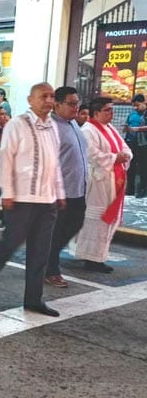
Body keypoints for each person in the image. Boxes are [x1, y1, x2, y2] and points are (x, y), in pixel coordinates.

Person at [0, 82, 65, 317]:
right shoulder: (18, 124)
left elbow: (55, 163)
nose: (49, 100)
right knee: (9, 245)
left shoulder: (52, 126)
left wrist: (59, 193)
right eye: (44, 96)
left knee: (40, 252)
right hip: (21, 199)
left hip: (47, 200)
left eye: (52, 96)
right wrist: (7, 193)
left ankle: (34, 299)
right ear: (31, 99)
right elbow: (7, 159)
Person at [75, 97, 133, 273]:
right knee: (97, 218)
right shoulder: (88, 130)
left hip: (114, 179)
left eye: (111, 109)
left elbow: (125, 148)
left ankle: (98, 255)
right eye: (107, 110)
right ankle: (90, 258)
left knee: (107, 219)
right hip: (98, 180)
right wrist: (116, 158)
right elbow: (91, 155)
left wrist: (125, 156)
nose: (111, 113)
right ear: (97, 112)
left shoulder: (110, 129)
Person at [44, 86, 87, 288]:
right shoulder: (50, 127)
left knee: (75, 224)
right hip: (59, 192)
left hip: (77, 189)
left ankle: (45, 259)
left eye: (77, 103)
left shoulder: (74, 125)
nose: (75, 107)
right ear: (57, 104)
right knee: (56, 232)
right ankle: (50, 269)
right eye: (71, 103)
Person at [124, 94, 147, 197]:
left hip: (143, 144)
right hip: (131, 142)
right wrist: (126, 128)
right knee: (131, 167)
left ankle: (143, 190)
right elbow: (127, 124)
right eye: (134, 106)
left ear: (143, 102)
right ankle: (130, 191)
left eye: (137, 105)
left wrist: (136, 129)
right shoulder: (132, 114)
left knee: (143, 167)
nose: (135, 108)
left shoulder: (145, 114)